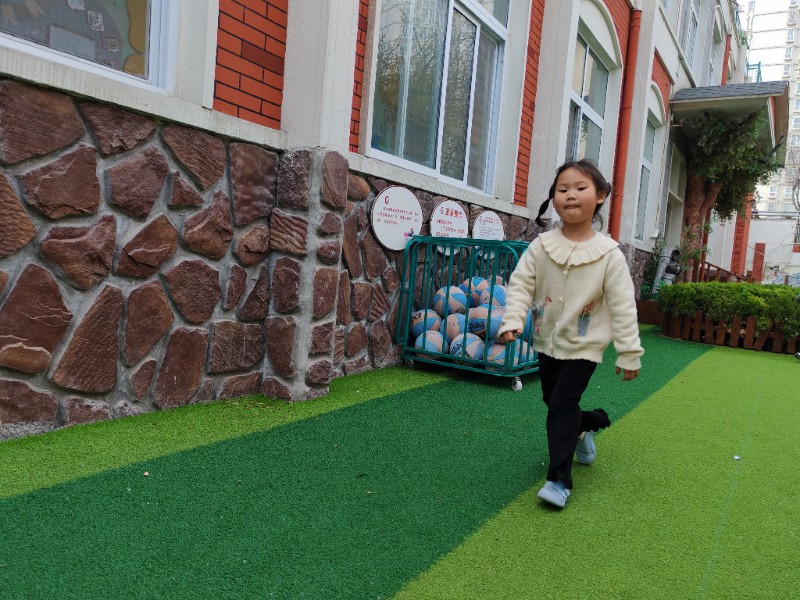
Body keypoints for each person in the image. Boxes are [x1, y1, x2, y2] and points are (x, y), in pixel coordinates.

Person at [496, 159, 643, 509]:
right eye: (563, 189)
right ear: (554, 198)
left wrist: (629, 352)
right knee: (553, 400)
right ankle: (585, 426)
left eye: (580, 188)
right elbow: (521, 285)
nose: (570, 195)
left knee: (561, 403)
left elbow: (623, 306)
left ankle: (559, 480)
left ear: (600, 196)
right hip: (546, 340)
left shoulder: (609, 255)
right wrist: (512, 319)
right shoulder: (542, 246)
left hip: (584, 345)